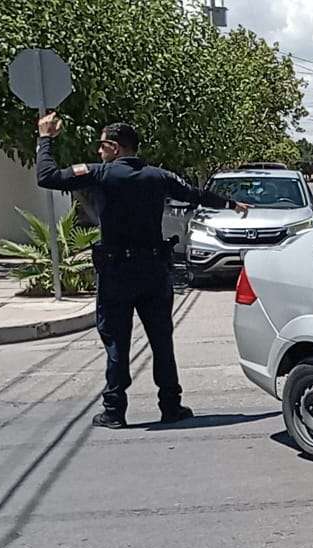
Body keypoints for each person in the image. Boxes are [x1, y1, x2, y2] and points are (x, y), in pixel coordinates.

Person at [35, 112, 248, 429]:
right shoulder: (158, 177)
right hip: (153, 271)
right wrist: (231, 204)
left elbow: (47, 176)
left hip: (116, 273)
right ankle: (171, 405)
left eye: (102, 146)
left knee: (117, 342)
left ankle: (114, 410)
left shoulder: (101, 173)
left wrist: (45, 139)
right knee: (161, 340)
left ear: (114, 147)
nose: (99, 152)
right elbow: (195, 194)